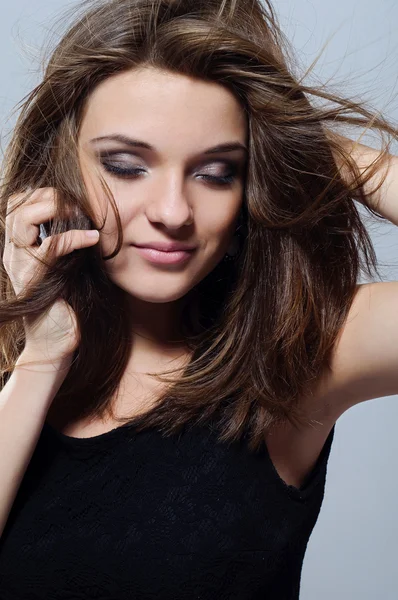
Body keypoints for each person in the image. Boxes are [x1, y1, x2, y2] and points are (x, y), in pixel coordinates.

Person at [0, 0, 397, 598]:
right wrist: (41, 358)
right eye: (127, 165)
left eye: (216, 172)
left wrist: (320, 153)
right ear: (62, 167)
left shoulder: (298, 358)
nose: (173, 213)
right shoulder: (17, 356)